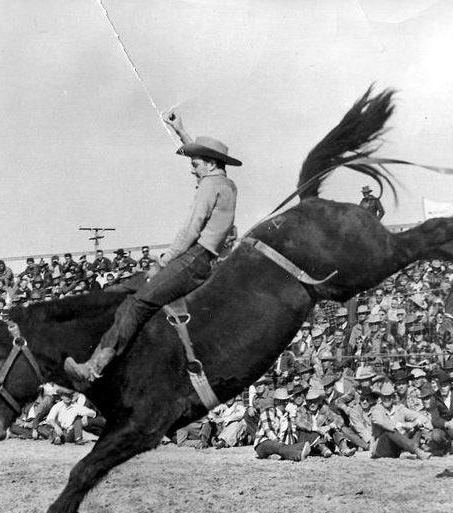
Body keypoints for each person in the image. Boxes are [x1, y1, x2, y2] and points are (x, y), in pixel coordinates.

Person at [65, 111, 241, 384]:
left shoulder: (208, 187)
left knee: (137, 305)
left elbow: (190, 230)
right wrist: (180, 131)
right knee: (129, 299)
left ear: (208, 164)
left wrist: (163, 261)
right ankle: (93, 361)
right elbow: (203, 158)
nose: (191, 168)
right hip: (200, 258)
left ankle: (96, 368)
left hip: (193, 257)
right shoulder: (225, 184)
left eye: (195, 164)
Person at [370, 381, 432, 459]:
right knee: (389, 432)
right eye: (384, 397)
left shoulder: (399, 408)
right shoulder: (377, 409)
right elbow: (382, 423)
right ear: (381, 397)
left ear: (393, 397)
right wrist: (404, 426)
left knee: (418, 426)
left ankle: (407, 451)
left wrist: (418, 423)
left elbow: (419, 416)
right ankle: (415, 450)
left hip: (398, 445)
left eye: (389, 396)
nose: (387, 399)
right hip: (381, 448)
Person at [253, 388, 311, 461]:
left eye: (286, 401)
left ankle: (277, 454)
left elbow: (291, 433)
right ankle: (298, 454)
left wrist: (289, 444)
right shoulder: (268, 412)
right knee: (276, 446)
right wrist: (280, 443)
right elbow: (269, 431)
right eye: (282, 401)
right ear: (276, 401)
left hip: (281, 445)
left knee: (288, 446)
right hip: (264, 443)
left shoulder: (288, 415)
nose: (284, 403)